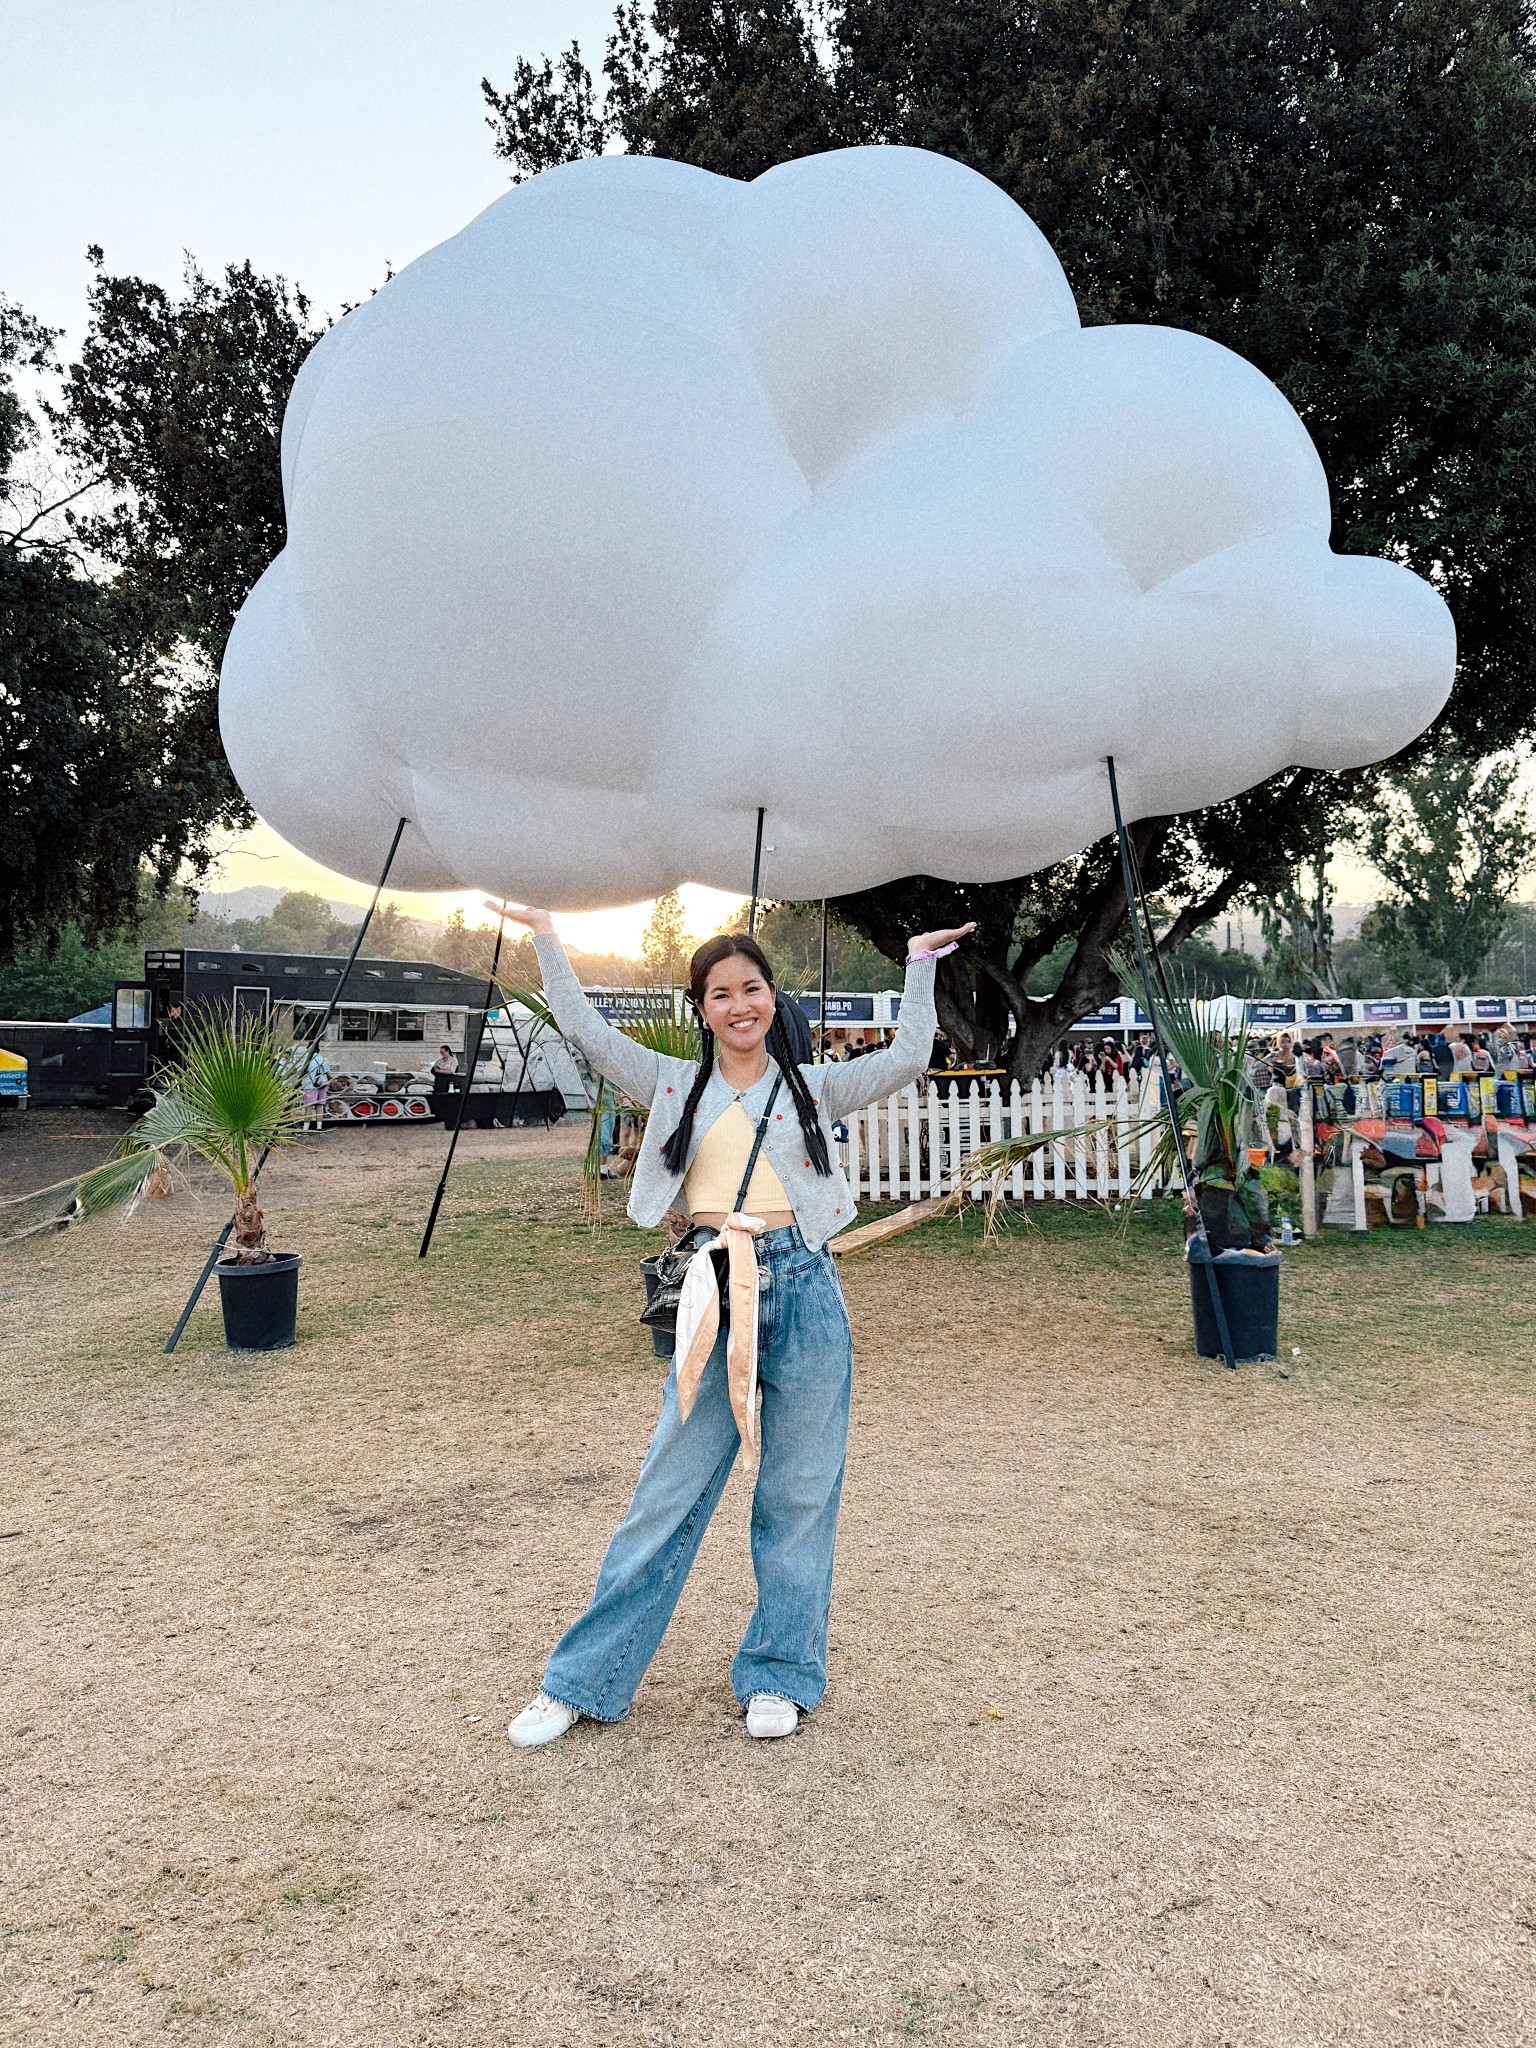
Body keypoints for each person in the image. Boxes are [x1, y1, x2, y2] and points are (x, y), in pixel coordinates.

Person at [499, 903, 973, 1749]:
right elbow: (582, 1029)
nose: (739, 1004)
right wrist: (544, 935)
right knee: (665, 1494)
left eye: (751, 987)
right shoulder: (674, 1084)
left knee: (797, 1495)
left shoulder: (813, 1085)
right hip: (716, 1291)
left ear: (770, 996)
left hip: (807, 1289)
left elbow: (908, 1056)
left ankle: (780, 1675)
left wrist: (917, 965)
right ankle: (580, 1681)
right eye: (720, 993)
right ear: (703, 1008)